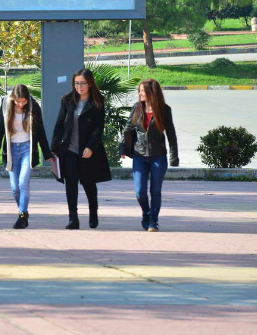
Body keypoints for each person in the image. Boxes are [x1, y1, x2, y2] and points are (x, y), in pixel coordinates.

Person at [51, 68, 112, 230]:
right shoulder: (67, 100)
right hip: (69, 149)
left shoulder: (98, 102)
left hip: (88, 151)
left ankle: (93, 213)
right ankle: (73, 218)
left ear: (90, 84)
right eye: (76, 83)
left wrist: (91, 147)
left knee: (88, 184)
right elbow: (59, 125)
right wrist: (53, 149)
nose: (79, 87)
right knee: (70, 184)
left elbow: (99, 128)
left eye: (83, 83)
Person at [0, 84, 53, 229]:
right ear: (12, 98)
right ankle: (23, 210)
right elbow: (0, 128)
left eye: (23, 101)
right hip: (11, 150)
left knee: (23, 184)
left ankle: (22, 217)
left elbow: (41, 131)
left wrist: (47, 153)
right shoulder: (6, 104)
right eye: (18, 101)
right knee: (14, 188)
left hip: (27, 149)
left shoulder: (33, 106)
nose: (20, 104)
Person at [121, 79, 179, 232]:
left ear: (152, 92)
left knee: (155, 190)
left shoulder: (164, 110)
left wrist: (174, 156)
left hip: (158, 155)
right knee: (140, 191)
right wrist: (123, 148)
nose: (139, 93)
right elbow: (127, 129)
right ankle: (146, 212)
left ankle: (153, 221)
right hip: (139, 155)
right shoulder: (136, 108)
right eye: (139, 90)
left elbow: (171, 134)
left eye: (142, 91)